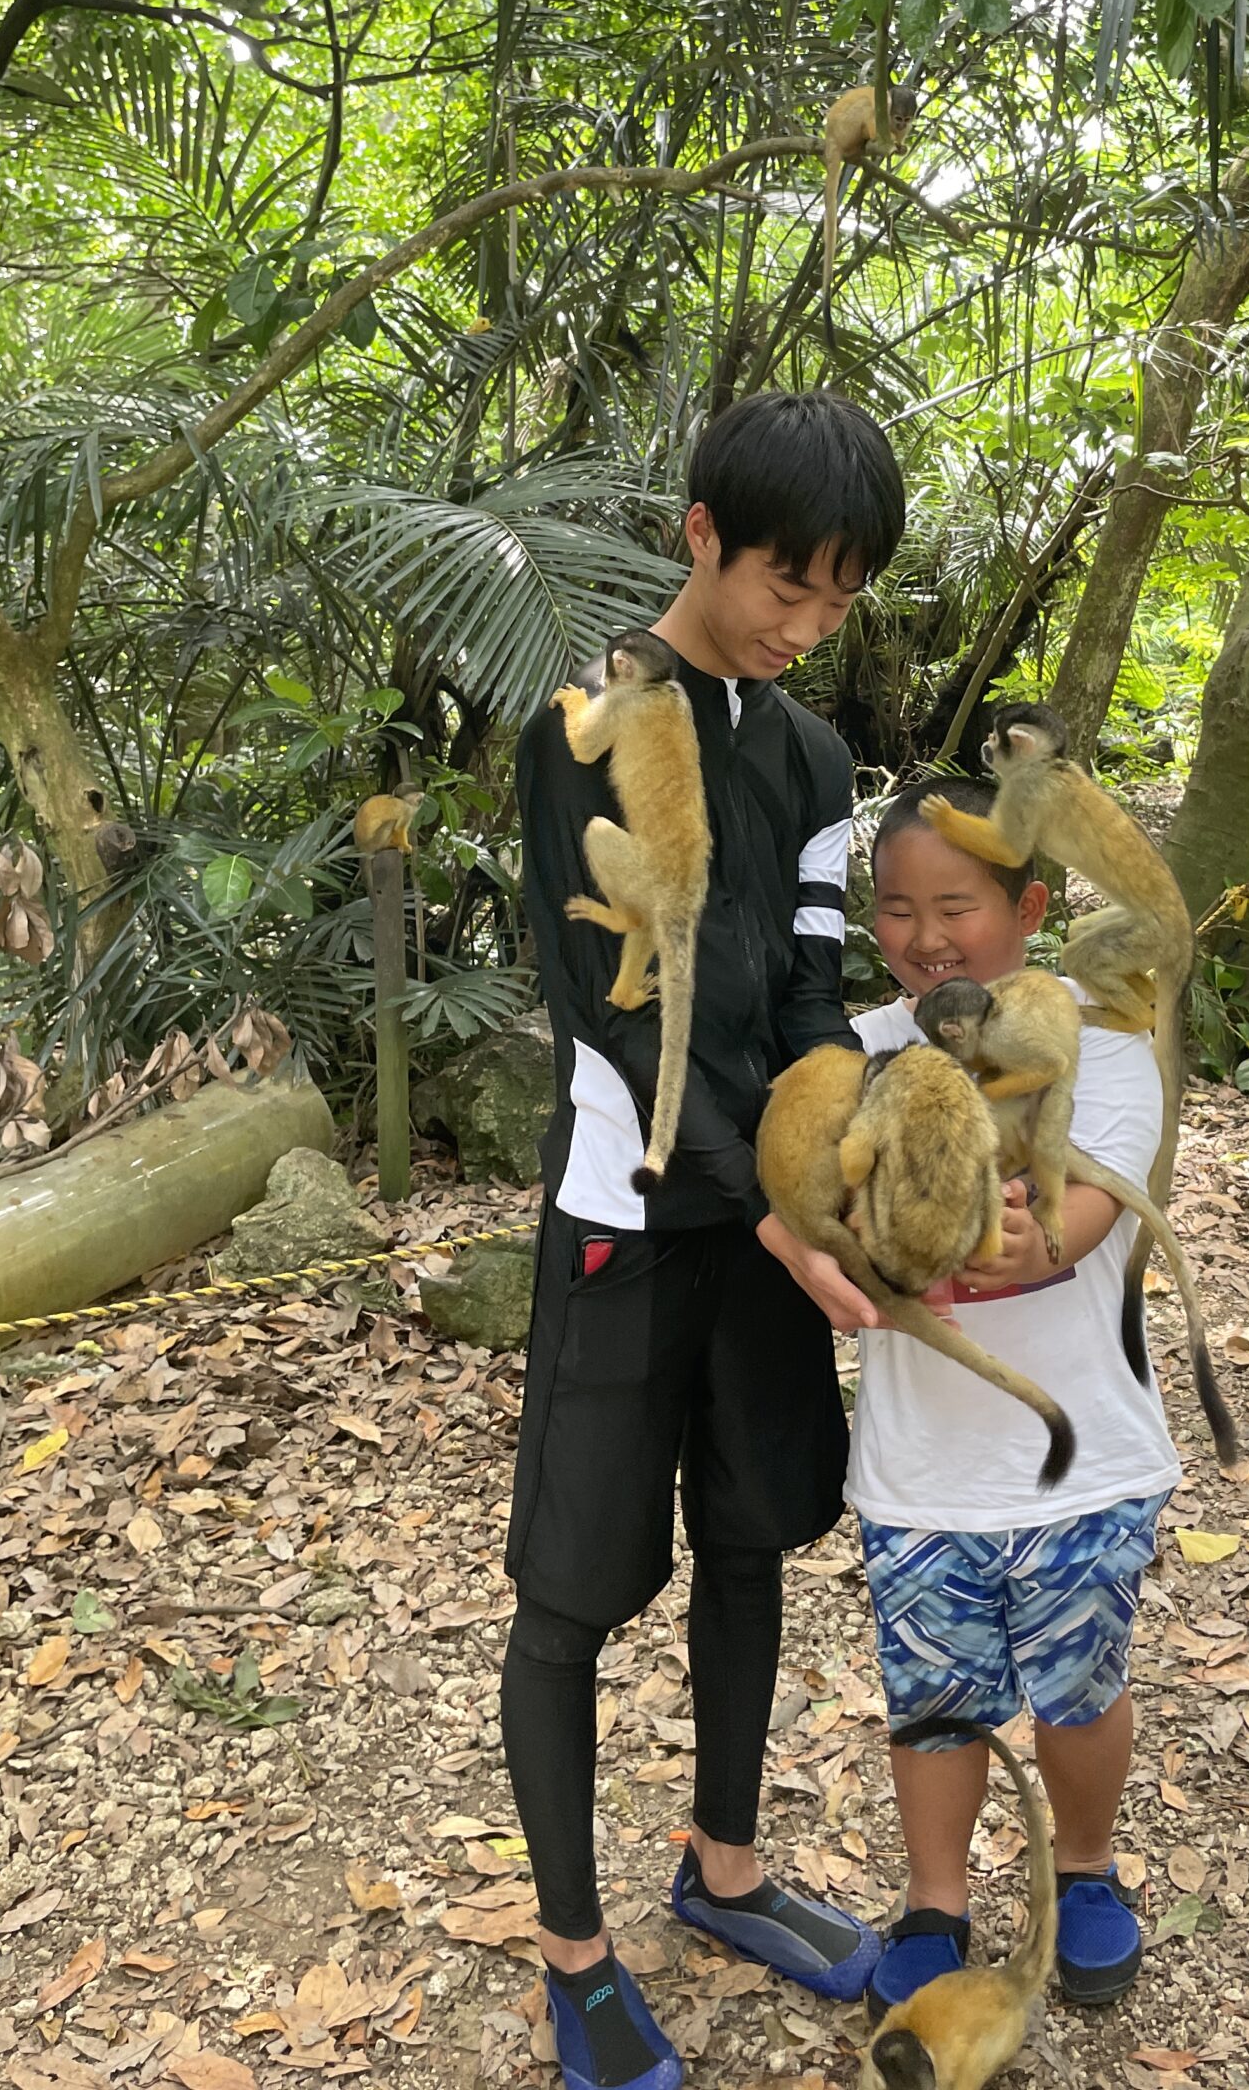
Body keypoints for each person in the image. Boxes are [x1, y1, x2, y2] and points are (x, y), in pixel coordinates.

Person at [505, 391, 905, 2090]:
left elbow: (809, 987)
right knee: (572, 1592)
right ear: (700, 536)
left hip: (766, 1228)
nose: (803, 624)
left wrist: (836, 1182)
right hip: (632, 1218)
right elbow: (610, 1014)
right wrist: (763, 1207)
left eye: (838, 598)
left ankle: (725, 1871)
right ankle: (575, 1959)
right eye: (782, 584)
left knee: (755, 1537)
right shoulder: (588, 719)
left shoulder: (810, 758)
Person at [836, 777, 1183, 2017]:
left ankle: (1084, 1870)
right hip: (922, 1464)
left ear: (1029, 910)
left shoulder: (1100, 1043)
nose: (927, 936)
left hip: (1081, 1456)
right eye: (897, 909)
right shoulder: (863, 1049)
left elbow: (1079, 1219)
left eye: (957, 907)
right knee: (934, 1701)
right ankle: (936, 1900)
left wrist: (1013, 1238)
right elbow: (823, 1204)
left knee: (1080, 1686)